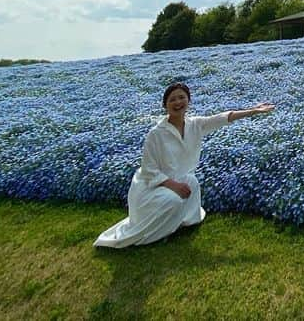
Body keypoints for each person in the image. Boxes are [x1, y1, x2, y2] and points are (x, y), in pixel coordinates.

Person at [94, 82, 274, 248]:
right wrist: (173, 185)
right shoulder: (156, 134)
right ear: (165, 106)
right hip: (150, 187)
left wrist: (253, 111)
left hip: (176, 179)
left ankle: (180, 222)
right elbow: (148, 171)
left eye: (182, 97)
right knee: (173, 200)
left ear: (189, 100)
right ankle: (154, 235)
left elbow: (222, 118)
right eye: (172, 99)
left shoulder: (194, 124)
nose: (178, 102)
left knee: (192, 182)